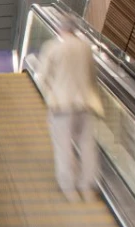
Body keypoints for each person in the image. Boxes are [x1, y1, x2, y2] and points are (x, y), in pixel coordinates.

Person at [35, 16, 104, 201]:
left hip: (62, 105)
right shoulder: (85, 48)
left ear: (60, 30)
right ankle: (87, 187)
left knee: (64, 145)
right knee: (87, 145)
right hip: (86, 103)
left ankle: (69, 187)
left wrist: (50, 95)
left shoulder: (53, 48)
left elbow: (41, 77)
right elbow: (92, 77)